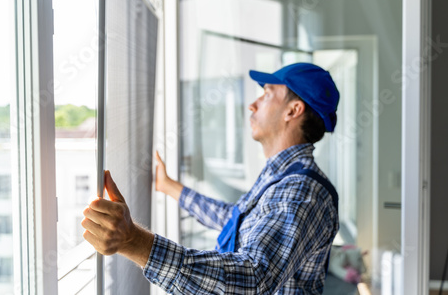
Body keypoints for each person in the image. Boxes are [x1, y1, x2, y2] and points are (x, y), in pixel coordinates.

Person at [81, 62, 340, 294]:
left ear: (293, 110)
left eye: (267, 94)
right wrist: (170, 188)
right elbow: (236, 221)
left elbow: (253, 280)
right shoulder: (281, 176)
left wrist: (135, 242)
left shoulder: (302, 190)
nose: (253, 104)